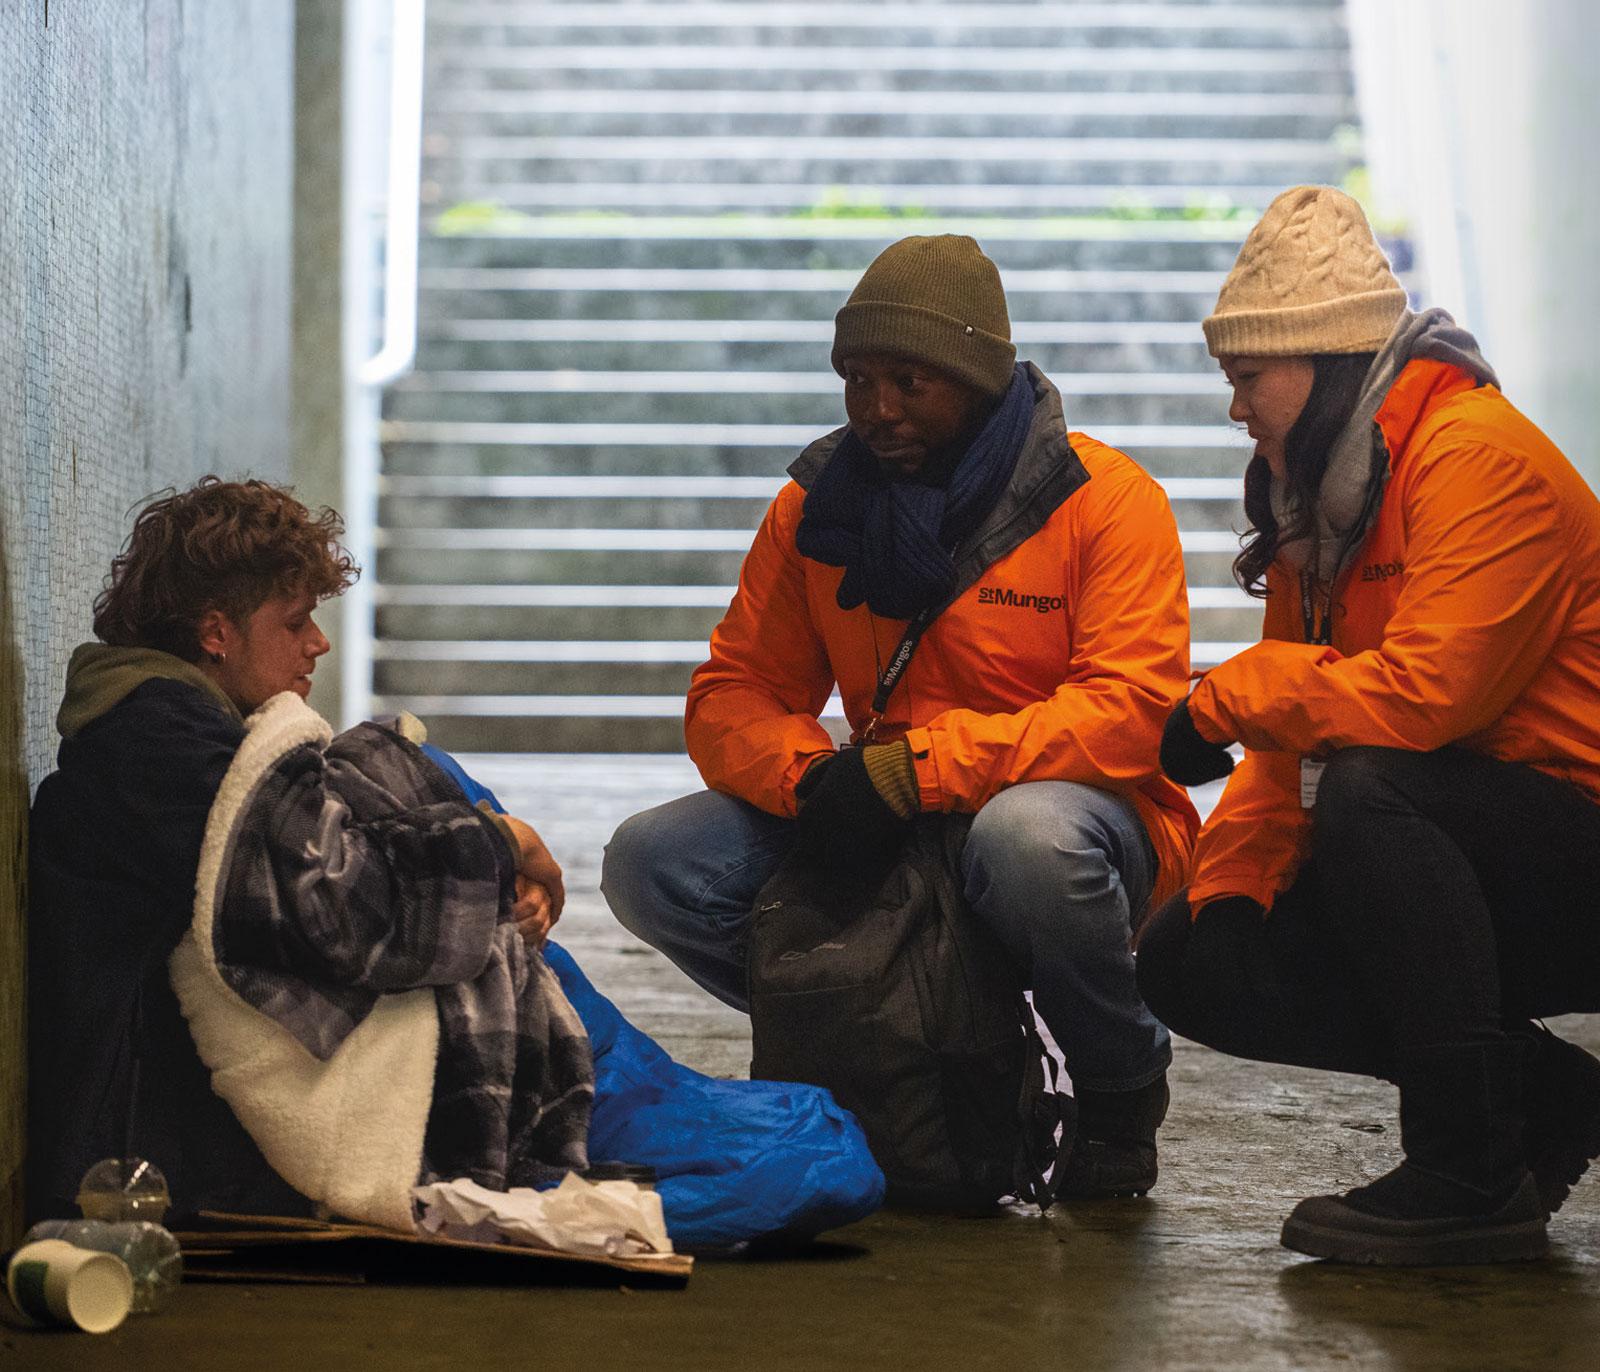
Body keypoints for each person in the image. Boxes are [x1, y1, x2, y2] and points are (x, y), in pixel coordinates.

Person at [28, 477, 882, 1243]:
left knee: (815, 1131)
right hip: (187, 1141)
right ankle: (573, 1166)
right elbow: (354, 908)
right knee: (817, 1162)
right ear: (216, 634)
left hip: (309, 1073)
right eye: (294, 624)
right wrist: (507, 846)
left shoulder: (185, 729)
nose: (317, 646)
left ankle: (591, 1069)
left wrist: (486, 866)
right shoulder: (159, 749)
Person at [603, 234, 1199, 1198]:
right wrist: (811, 777)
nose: (879, 410)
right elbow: (735, 690)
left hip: (1070, 821)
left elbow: (1131, 711)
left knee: (1031, 841)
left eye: (911, 381)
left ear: (977, 377)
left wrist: (916, 768)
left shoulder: (1106, 503)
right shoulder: (814, 510)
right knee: (652, 863)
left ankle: (1123, 1088)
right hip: (885, 818)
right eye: (858, 379)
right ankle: (911, 1042)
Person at [1138, 184, 1600, 1264]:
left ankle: (1466, 1166)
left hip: (1570, 842)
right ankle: (1537, 1099)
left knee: (1373, 786)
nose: (1234, 407)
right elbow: (1292, 737)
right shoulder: (1324, 499)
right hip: (1460, 854)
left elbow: (1418, 702)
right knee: (1187, 954)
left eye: (1245, 377)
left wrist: (1223, 695)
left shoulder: (1475, 459)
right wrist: (1232, 892)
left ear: (1322, 359)